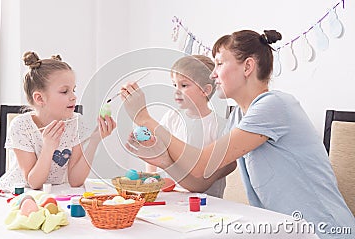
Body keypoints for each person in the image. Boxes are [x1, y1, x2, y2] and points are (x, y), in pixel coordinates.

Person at [121, 30, 355, 238]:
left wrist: (145, 118)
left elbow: (202, 164)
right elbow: (200, 181)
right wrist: (164, 162)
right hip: (281, 229)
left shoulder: (274, 106)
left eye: (220, 64)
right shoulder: (238, 118)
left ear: (247, 67)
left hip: (321, 230)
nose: (213, 74)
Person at [0, 51, 116, 190]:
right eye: (65, 91)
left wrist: (95, 140)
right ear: (40, 98)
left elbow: (75, 181)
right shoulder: (21, 126)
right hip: (18, 194)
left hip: (56, 193)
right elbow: (34, 183)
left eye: (73, 90)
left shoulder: (76, 123)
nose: (73, 97)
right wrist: (48, 147)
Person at [146, 54, 236, 198]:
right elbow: (155, 149)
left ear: (205, 90)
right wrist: (150, 177)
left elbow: (222, 166)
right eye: (174, 85)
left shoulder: (219, 126)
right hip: (172, 197)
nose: (176, 90)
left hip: (207, 201)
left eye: (184, 85)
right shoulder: (172, 117)